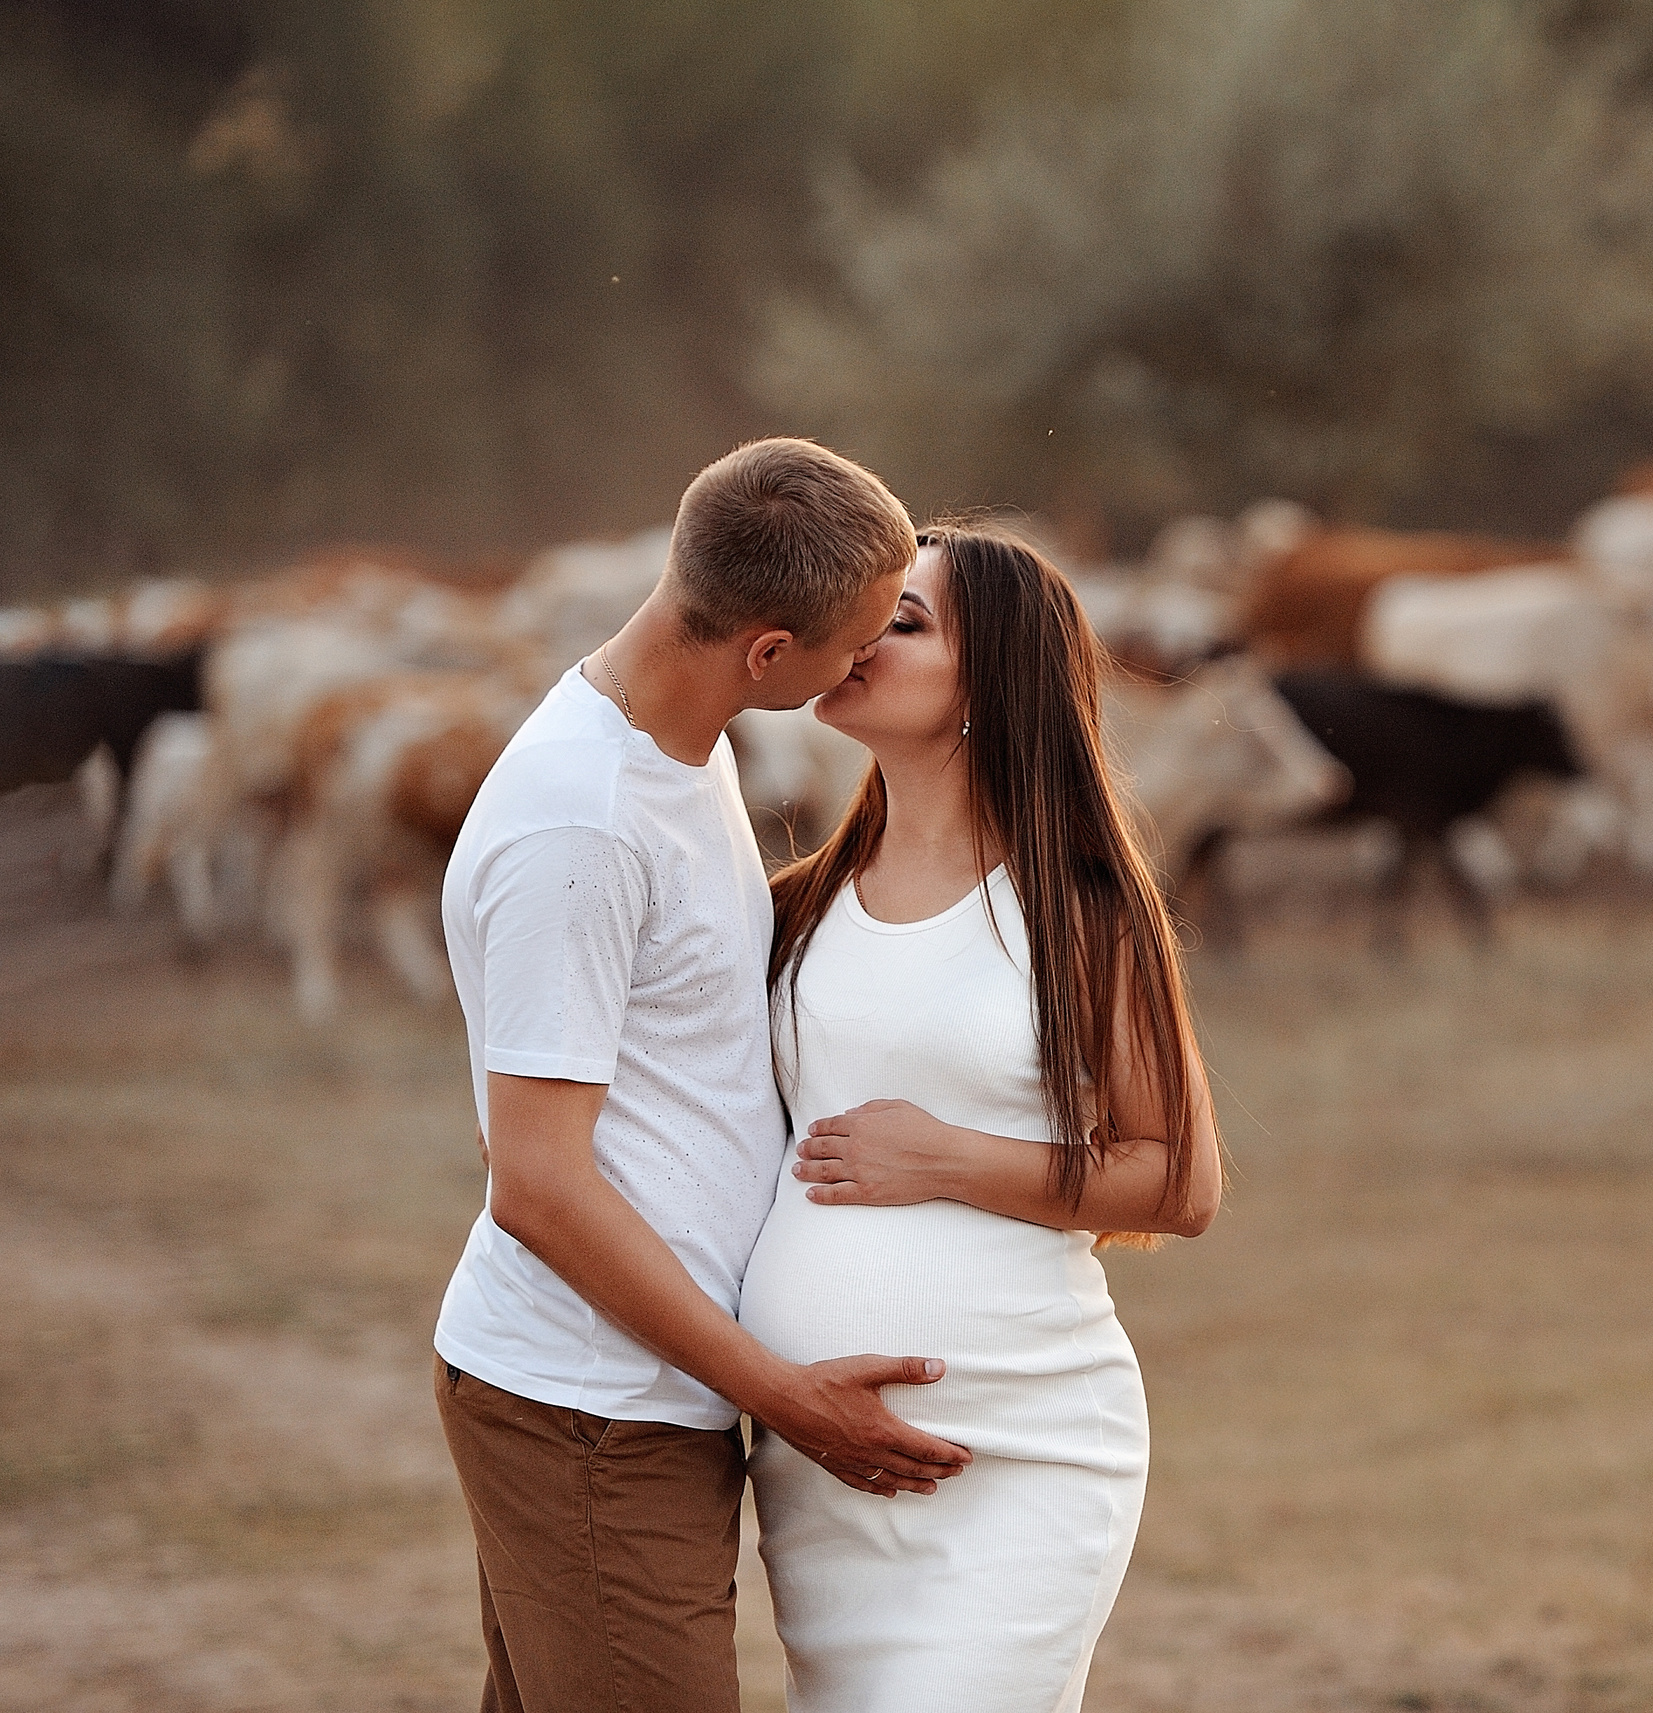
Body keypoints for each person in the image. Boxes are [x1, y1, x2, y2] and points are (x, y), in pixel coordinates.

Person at [432, 438, 973, 1713]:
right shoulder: (584, 824)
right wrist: (784, 1395)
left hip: (639, 1394)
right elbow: (538, 1188)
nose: (867, 667)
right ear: (768, 651)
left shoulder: (683, 747)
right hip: (589, 1407)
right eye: (855, 643)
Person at [741, 525, 1223, 1712]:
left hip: (1021, 1447)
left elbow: (1180, 1184)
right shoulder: (789, 911)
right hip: (820, 1469)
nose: (856, 639)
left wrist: (947, 1157)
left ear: (993, 679)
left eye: (901, 622)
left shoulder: (1081, 907)